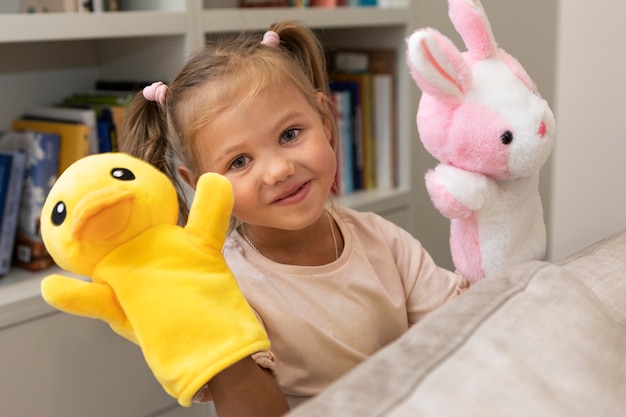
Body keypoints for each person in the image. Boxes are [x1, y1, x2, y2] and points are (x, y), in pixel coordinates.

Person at [121, 20, 470, 417]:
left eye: (289, 134)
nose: (278, 171)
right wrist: (210, 323)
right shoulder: (225, 285)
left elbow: (464, 331)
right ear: (200, 185)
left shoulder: (382, 239)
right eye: (239, 161)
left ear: (325, 121)